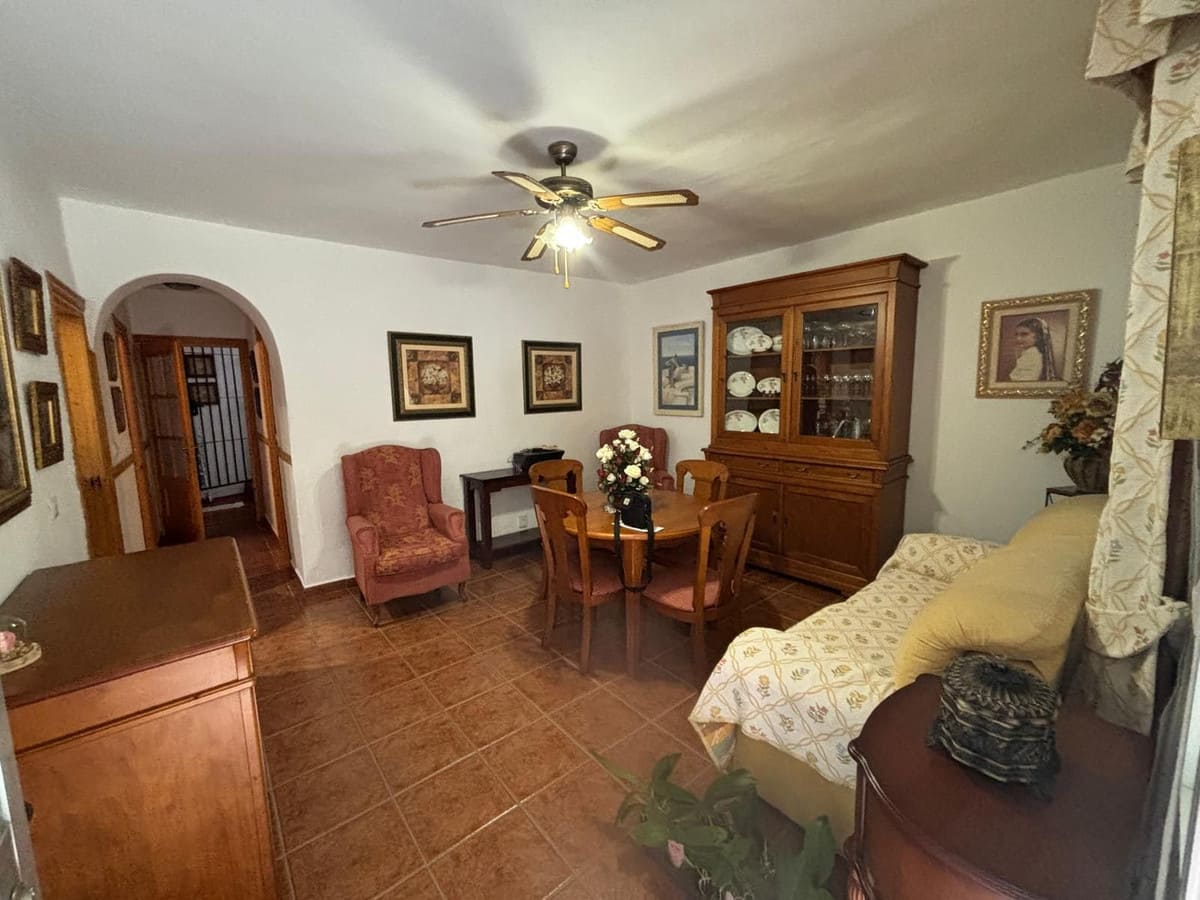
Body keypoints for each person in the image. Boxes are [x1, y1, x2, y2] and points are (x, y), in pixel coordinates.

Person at [1008, 317, 1059, 382]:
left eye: (1024, 334)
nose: (1018, 338)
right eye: (1016, 334)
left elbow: (1028, 379)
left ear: (1038, 336)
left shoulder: (1032, 354)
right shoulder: (1027, 353)